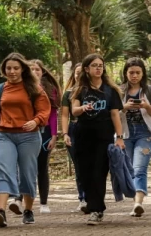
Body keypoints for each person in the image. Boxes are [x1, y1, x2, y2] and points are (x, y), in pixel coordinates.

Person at [0, 53, 51, 227]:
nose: (12, 71)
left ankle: (28, 210)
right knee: (3, 171)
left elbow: (44, 110)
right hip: (4, 135)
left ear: (22, 69)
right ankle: (1, 212)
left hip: (29, 136)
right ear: (4, 70)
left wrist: (35, 121)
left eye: (15, 68)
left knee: (27, 174)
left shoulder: (34, 89)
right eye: (8, 68)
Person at [71, 54, 125, 225]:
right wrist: (82, 107)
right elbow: (74, 111)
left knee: (99, 173)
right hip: (83, 136)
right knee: (85, 174)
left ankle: (97, 209)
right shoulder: (80, 89)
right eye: (94, 65)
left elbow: (115, 114)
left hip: (104, 137)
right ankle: (93, 204)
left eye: (100, 65)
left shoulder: (111, 90)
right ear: (86, 69)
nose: (98, 68)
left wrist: (120, 137)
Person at [8, 59, 61, 215]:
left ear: (42, 71)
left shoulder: (50, 89)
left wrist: (53, 135)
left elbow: (53, 113)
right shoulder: (19, 88)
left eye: (37, 69)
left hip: (44, 132)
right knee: (21, 165)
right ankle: (18, 199)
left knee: (41, 166)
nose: (34, 71)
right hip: (24, 132)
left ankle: (43, 202)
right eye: (31, 69)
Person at [119, 57, 151, 217]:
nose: (134, 76)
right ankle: (135, 203)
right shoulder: (118, 91)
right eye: (131, 72)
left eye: (138, 72)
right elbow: (111, 115)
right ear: (125, 73)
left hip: (145, 134)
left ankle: (138, 203)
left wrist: (146, 106)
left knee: (139, 168)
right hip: (125, 134)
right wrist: (123, 108)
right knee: (130, 169)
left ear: (143, 74)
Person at [61, 63, 88, 213]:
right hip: (74, 129)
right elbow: (65, 115)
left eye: (81, 72)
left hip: (91, 129)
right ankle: (82, 198)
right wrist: (65, 134)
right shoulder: (68, 94)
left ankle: (93, 197)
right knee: (79, 165)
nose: (79, 75)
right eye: (76, 73)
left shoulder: (94, 91)